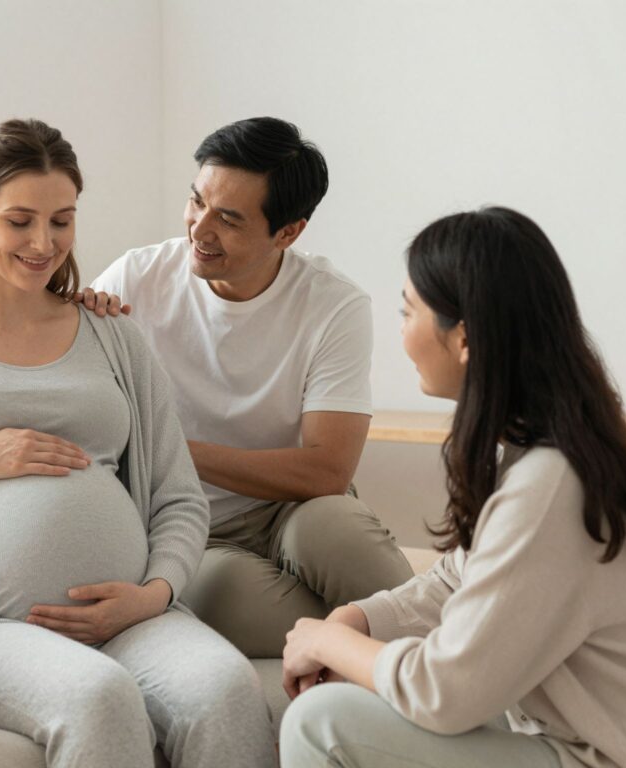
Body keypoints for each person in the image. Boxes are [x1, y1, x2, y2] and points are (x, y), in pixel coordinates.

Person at [0, 118, 276, 768]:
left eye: (61, 220)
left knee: (225, 690)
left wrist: (154, 595)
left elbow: (178, 498)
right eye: (20, 221)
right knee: (98, 697)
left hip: (132, 619)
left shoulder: (113, 334)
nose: (44, 242)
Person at [279, 207, 626, 768]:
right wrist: (355, 620)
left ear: (463, 338)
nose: (402, 330)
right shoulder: (548, 448)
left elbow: (445, 692)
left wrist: (326, 642)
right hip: (571, 733)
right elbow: (461, 577)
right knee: (361, 688)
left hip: (605, 757)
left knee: (321, 723)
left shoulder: (551, 484)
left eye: (409, 311)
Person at [88, 117, 413, 656]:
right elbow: (38, 359)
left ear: (288, 232)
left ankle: (456, 662)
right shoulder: (134, 279)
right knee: (227, 595)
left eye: (229, 219)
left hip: (294, 507)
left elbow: (327, 471)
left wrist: (168, 448)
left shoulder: (333, 305)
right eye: (197, 202)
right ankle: (397, 642)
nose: (199, 229)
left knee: (338, 532)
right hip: (187, 523)